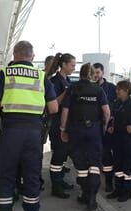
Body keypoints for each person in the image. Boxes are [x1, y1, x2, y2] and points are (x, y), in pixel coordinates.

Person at [0, 41, 58, 211]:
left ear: (15, 55)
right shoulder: (42, 77)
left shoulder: (5, 74)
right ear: (32, 56)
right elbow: (53, 108)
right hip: (34, 134)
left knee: (6, 175)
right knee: (32, 176)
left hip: (10, 133)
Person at [60, 63, 110, 211]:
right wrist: (104, 127)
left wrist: (63, 129)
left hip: (77, 130)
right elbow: (107, 112)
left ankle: (85, 194)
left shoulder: (72, 89)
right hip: (94, 130)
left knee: (81, 165)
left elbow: (65, 111)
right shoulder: (98, 90)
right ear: (92, 75)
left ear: (80, 73)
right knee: (94, 165)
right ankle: (92, 199)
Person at [47, 52, 76, 199]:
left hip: (67, 124)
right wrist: (66, 93)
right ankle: (56, 186)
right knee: (58, 156)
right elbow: (53, 104)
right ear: (63, 65)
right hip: (57, 124)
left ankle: (60, 180)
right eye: (72, 65)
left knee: (63, 156)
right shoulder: (54, 82)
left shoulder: (68, 80)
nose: (73, 68)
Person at [93, 63, 116, 192]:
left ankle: (108, 182)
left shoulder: (112, 88)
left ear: (103, 72)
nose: (95, 75)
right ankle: (94, 184)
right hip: (95, 127)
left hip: (108, 128)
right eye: (94, 73)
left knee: (107, 156)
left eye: (97, 72)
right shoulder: (90, 88)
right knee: (95, 156)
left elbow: (117, 107)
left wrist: (112, 124)